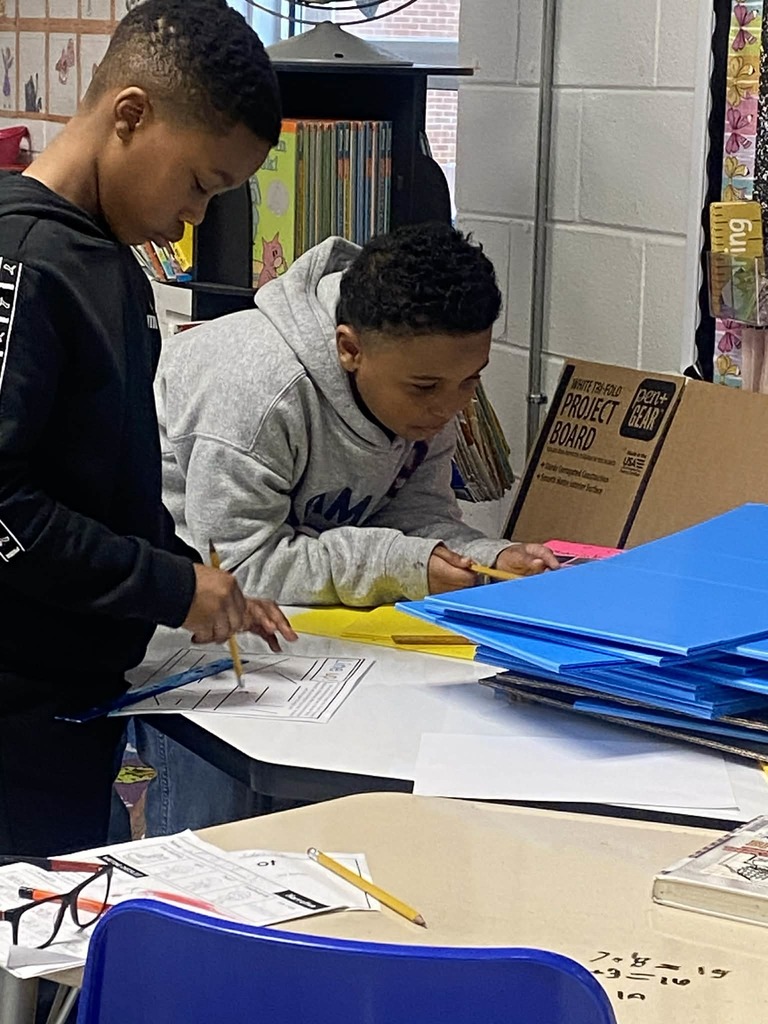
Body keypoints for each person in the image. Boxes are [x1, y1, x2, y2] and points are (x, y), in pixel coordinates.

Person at [137, 223, 558, 835]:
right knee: (217, 841)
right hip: (202, 649)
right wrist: (406, 564)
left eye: (472, 380)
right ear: (349, 348)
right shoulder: (255, 392)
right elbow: (236, 569)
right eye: (427, 389)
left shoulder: (428, 378)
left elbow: (417, 516)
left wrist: (484, 557)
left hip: (323, 642)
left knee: (330, 837)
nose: (450, 408)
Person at [0, 0, 294, 859]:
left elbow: (94, 479)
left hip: (76, 704)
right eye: (199, 183)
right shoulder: (27, 260)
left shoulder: (105, 262)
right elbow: (6, 507)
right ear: (130, 114)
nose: (197, 216)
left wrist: (185, 573)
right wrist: (166, 587)